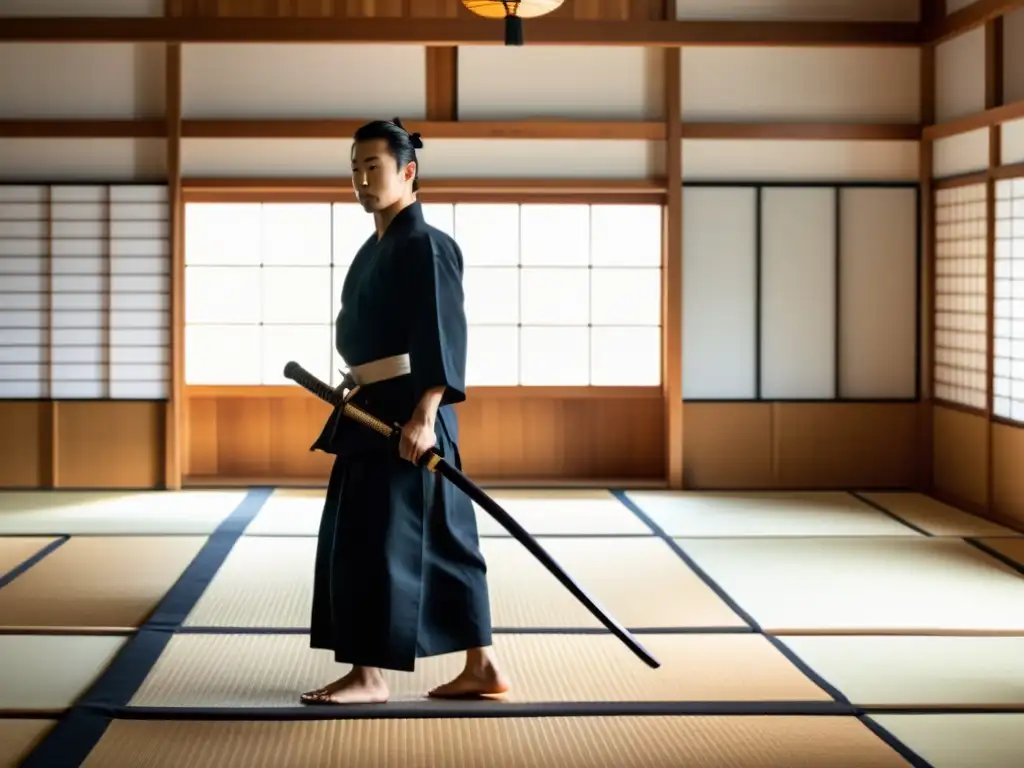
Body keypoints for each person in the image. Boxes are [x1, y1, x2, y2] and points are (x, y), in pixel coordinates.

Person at [300, 118, 510, 706]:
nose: (363, 179)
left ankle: (369, 676)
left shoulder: (428, 245)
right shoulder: (376, 247)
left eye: (375, 167)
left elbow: (443, 335)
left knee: (378, 542)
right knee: (433, 538)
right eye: (355, 168)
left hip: (409, 417)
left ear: (407, 171)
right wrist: (356, 378)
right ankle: (483, 667)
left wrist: (424, 414)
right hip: (371, 410)